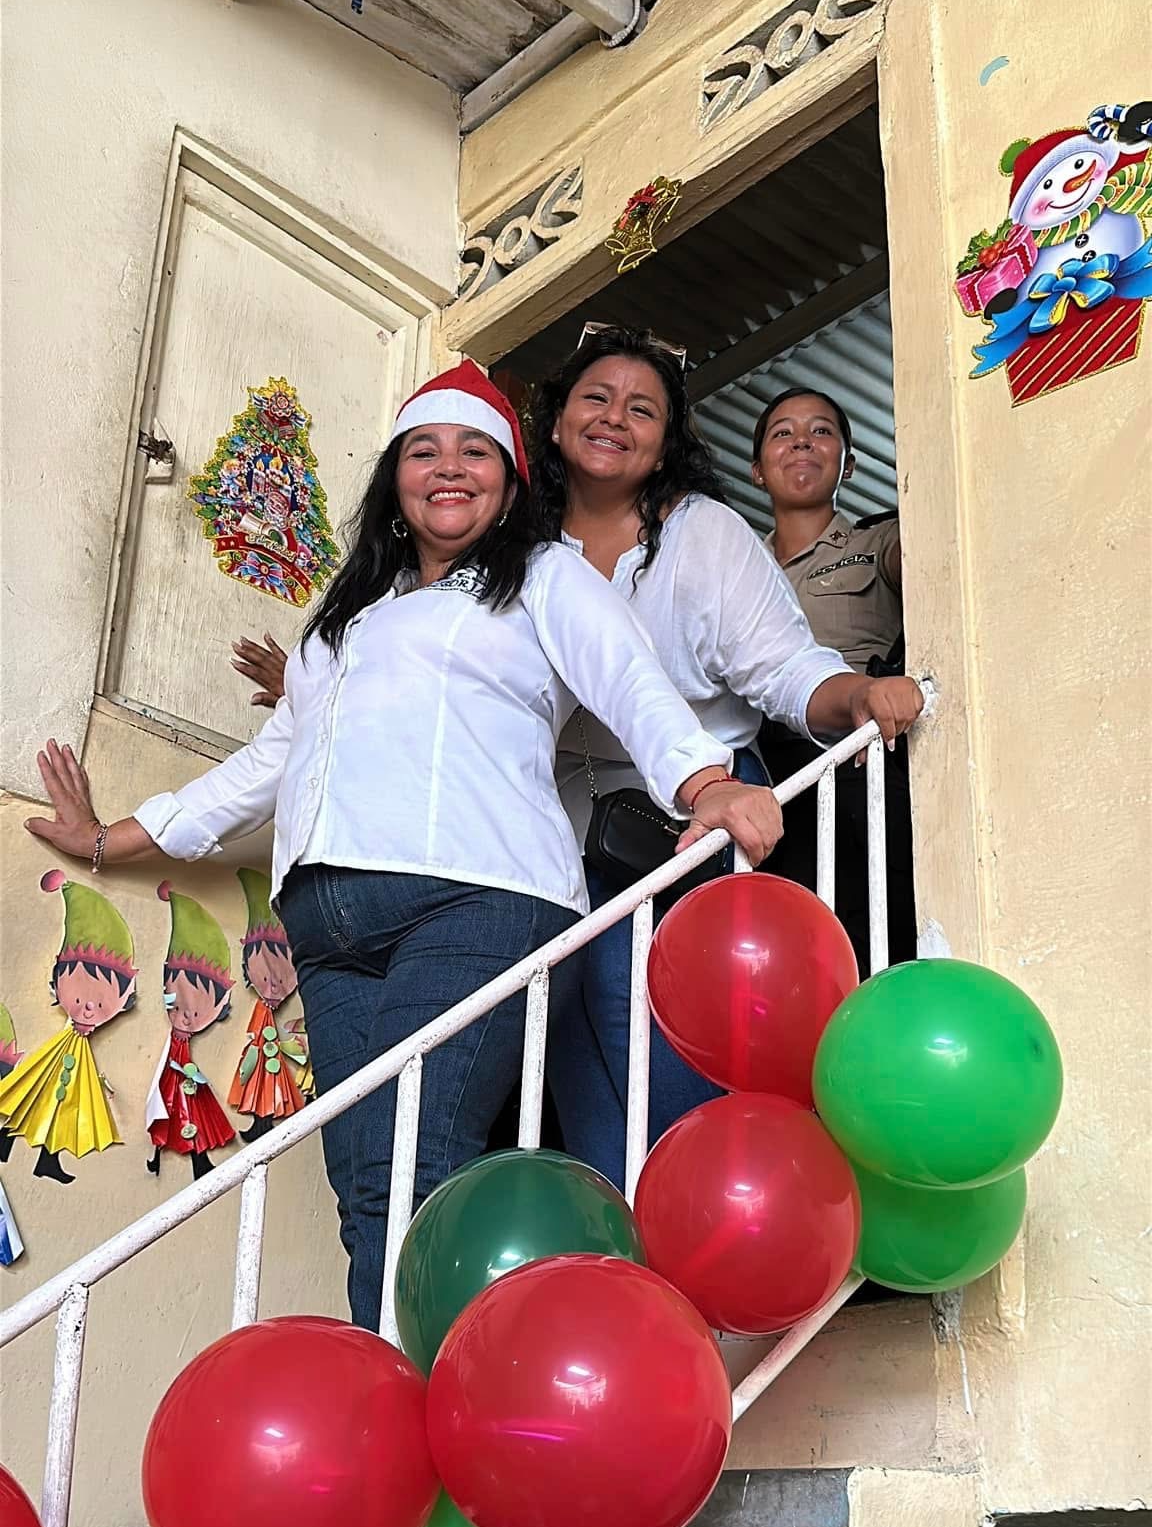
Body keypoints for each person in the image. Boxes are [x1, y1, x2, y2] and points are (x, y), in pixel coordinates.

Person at [24, 361, 781, 1329]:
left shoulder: (542, 574)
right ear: (397, 478)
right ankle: (403, 1386)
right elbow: (266, 765)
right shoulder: (345, 620)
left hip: (479, 898)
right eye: (425, 450)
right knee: (364, 1184)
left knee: (415, 1163)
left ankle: (432, 1387)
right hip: (328, 932)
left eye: (475, 451)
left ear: (510, 478)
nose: (449, 468)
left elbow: (628, 678)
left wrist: (705, 781)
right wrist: (106, 839)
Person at [230, 333, 923, 1189]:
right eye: (596, 399)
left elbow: (780, 667)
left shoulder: (702, 533)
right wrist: (331, 699)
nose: (615, 419)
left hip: (685, 823)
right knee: (573, 1064)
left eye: (643, 409)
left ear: (666, 445)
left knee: (665, 1042)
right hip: (556, 839)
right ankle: (628, 1239)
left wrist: (852, 696)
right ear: (554, 426)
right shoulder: (505, 545)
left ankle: (709, 1217)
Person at [751, 386, 915, 974]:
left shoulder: (880, 543)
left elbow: (937, 550)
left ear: (849, 464)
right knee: (778, 953)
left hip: (851, 768)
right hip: (758, 778)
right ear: (757, 470)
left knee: (865, 943)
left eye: (821, 431)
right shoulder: (737, 569)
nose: (802, 442)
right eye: (783, 433)